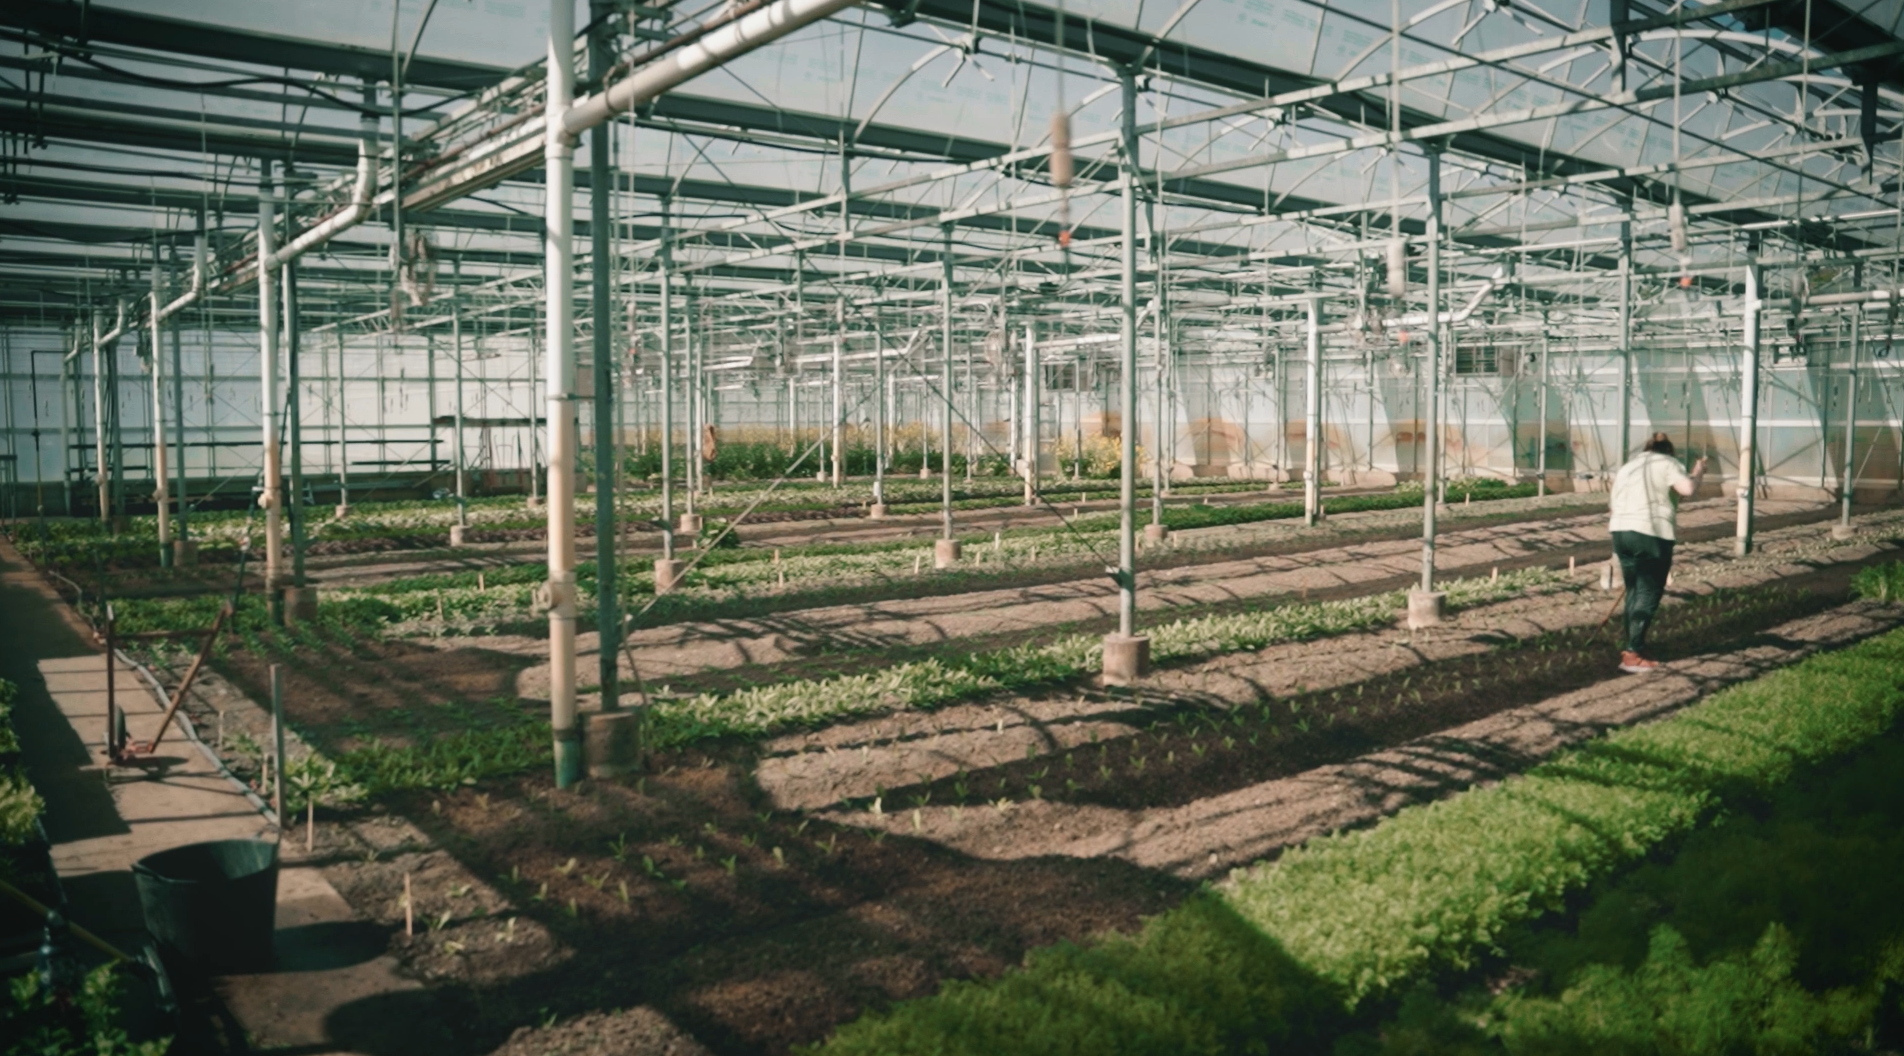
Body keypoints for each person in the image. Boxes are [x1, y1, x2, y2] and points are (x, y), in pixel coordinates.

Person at [1606, 432, 1706, 673]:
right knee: (1649, 591)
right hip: (1650, 533)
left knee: (1633, 590)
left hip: (1621, 532)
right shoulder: (1667, 463)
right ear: (1668, 451)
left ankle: (1634, 646)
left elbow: (1612, 504)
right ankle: (1632, 654)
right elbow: (1688, 488)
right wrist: (1699, 470)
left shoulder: (1628, 468)